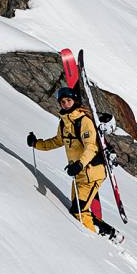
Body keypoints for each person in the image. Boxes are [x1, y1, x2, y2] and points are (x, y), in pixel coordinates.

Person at [27, 86, 105, 232]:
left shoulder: (84, 121)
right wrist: (36, 143)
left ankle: (94, 244)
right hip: (79, 175)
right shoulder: (64, 123)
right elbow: (57, 141)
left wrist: (80, 164)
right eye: (62, 102)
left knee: (79, 211)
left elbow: (91, 147)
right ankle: (108, 232)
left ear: (74, 100)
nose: (65, 104)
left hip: (92, 173)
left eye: (68, 100)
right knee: (79, 209)